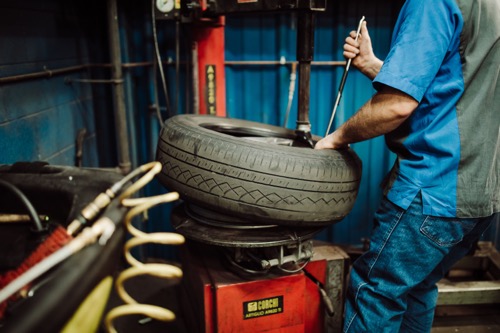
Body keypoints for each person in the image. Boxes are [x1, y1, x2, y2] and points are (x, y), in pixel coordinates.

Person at [315, 0, 499, 331]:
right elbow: (452, 90)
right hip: (483, 197)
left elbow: (397, 106)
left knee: (377, 293)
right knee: (417, 288)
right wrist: (373, 65)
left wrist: (336, 139)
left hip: (434, 190)